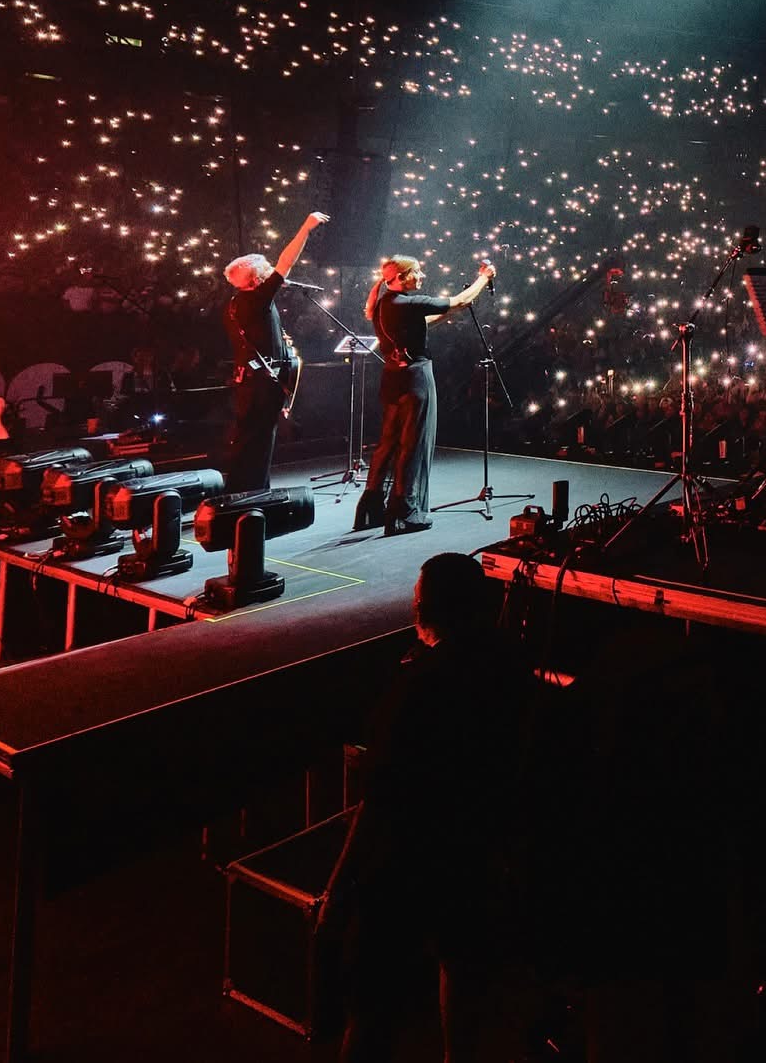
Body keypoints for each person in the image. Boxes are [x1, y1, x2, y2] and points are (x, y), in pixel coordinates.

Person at [321, 552, 538, 1063]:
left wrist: (338, 887)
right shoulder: (509, 663)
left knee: (371, 1003)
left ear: (423, 607)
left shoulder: (417, 689)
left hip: (406, 860)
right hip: (475, 846)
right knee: (462, 965)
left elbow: (379, 799)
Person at [353, 254, 495, 535]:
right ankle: (404, 513)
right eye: (417, 272)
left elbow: (423, 322)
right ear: (403, 277)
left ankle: (371, 508)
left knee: (389, 443)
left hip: (393, 379)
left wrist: (453, 310)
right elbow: (460, 301)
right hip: (416, 378)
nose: (422, 276)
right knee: (413, 445)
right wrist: (484, 277)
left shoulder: (386, 303)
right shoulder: (409, 302)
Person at [221, 210, 329, 492]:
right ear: (257, 279)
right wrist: (306, 227)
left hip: (247, 381)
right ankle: (254, 492)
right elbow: (287, 261)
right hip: (261, 384)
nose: (272, 272)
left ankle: (240, 491)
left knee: (247, 437)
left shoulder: (235, 304)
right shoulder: (256, 298)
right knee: (261, 438)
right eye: (266, 271)